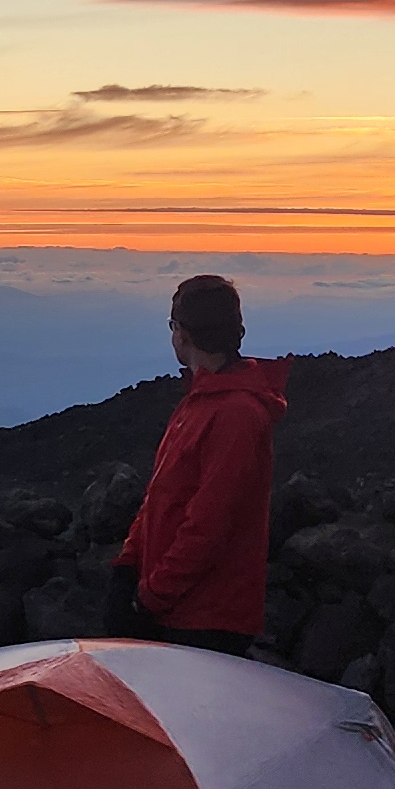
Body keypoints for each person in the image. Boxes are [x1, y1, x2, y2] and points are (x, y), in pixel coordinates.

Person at [103, 272, 282, 656]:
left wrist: (148, 600)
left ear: (182, 334)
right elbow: (161, 496)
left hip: (205, 621)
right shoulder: (200, 401)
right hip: (173, 608)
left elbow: (209, 524)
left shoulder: (236, 413)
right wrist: (127, 566)